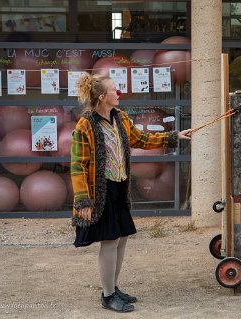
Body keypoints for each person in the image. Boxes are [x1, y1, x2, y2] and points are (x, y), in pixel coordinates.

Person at [71, 72, 191, 313]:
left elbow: (142, 139)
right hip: (99, 192)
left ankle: (113, 288)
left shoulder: (121, 118)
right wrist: (83, 198)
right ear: (103, 97)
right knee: (110, 239)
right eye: (115, 90)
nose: (119, 93)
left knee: (122, 237)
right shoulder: (86, 124)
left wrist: (173, 136)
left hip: (119, 187)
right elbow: (78, 164)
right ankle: (107, 296)